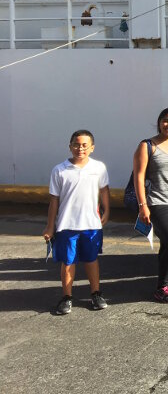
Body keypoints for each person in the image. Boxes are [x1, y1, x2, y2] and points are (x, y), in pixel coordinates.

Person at [43, 130, 111, 315]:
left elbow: (104, 190)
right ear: (70, 146)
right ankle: (67, 297)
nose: (80, 148)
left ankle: (96, 294)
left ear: (92, 148)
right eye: (76, 144)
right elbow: (54, 200)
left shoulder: (98, 168)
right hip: (66, 226)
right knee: (68, 262)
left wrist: (107, 210)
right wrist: (50, 226)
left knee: (91, 260)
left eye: (84, 145)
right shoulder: (59, 170)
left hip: (91, 225)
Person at [133, 107, 168, 304]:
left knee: (167, 245)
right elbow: (139, 178)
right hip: (158, 202)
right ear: (159, 122)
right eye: (166, 121)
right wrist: (143, 205)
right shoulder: (147, 145)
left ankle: (163, 285)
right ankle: (162, 286)